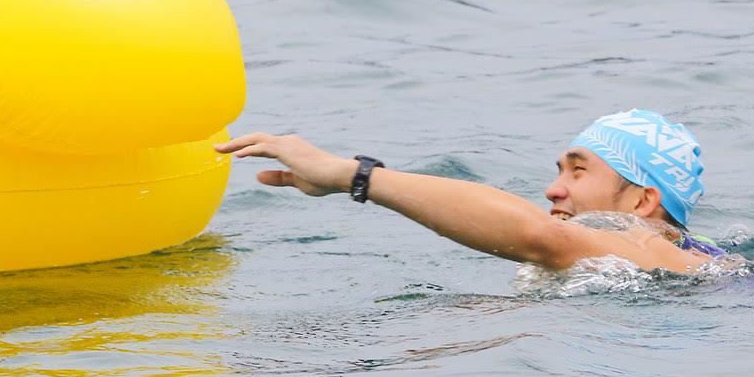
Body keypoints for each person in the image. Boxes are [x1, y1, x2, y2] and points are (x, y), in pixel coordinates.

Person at [217, 108, 725, 274]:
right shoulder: (638, 262)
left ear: (641, 201)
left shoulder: (671, 259)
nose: (553, 189)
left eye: (577, 172)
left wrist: (353, 175)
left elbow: (539, 237)